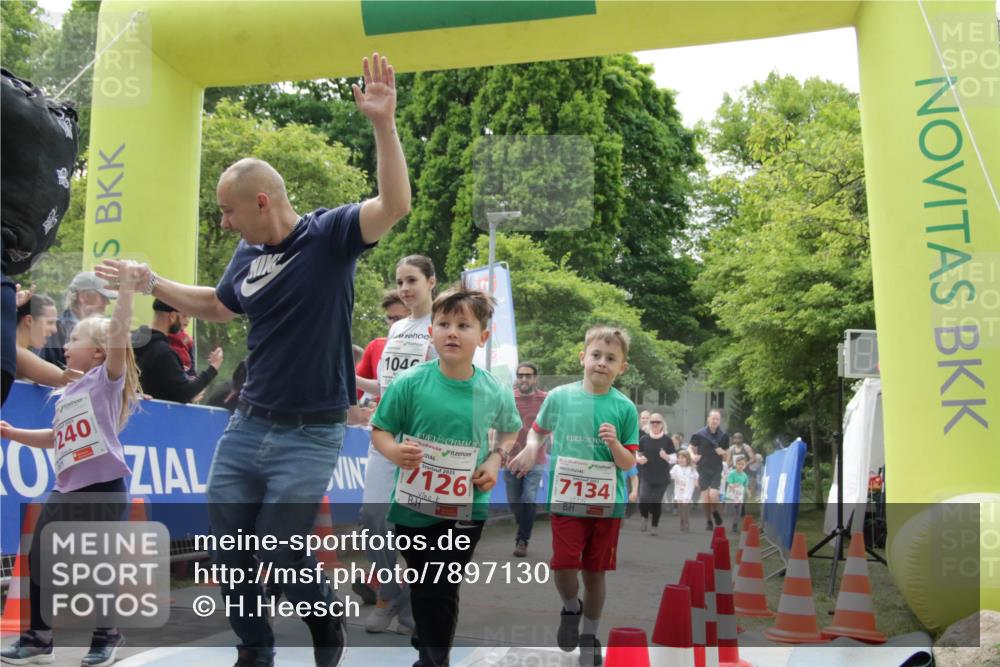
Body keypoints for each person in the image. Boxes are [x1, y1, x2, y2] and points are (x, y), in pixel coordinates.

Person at [96, 52, 410, 667]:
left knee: (279, 549)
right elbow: (217, 305)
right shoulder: (246, 254)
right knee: (232, 549)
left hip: (311, 432)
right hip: (247, 424)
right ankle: (255, 649)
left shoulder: (331, 236)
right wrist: (151, 279)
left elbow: (393, 204)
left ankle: (324, 619)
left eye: (229, 209)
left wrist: (383, 123)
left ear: (262, 200)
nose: (224, 220)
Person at [370, 286, 521, 667]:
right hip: (413, 506)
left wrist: (495, 459)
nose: (452, 332)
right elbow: (381, 428)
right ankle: (428, 646)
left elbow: (510, 430)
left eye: (463, 325)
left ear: (482, 336)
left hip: (466, 506)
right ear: (431, 332)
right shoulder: (410, 383)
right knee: (424, 584)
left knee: (442, 583)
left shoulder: (494, 390)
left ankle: (435, 659)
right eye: (444, 324)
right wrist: (391, 450)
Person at [0, 263, 142, 667]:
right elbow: (57, 439)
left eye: (75, 338)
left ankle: (106, 635)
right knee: (41, 556)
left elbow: (118, 334)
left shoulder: (105, 380)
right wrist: (15, 435)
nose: (65, 343)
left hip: (104, 487)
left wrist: (127, 294)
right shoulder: (68, 392)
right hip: (66, 488)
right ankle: (38, 637)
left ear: (98, 352)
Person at [510, 326, 639, 667]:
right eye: (596, 355)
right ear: (583, 358)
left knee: (595, 574)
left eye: (611, 359)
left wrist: (614, 445)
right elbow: (537, 433)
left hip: (606, 504)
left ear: (621, 367)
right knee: (564, 565)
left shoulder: (625, 408)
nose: (601, 363)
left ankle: (589, 636)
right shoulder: (560, 397)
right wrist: (529, 450)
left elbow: (629, 461)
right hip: (566, 500)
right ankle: (571, 608)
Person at [358, 255, 437, 634]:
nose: (405, 288)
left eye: (412, 280)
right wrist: (352, 376)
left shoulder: (443, 326)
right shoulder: (397, 328)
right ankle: (391, 595)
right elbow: (386, 387)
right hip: (384, 434)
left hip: (423, 441)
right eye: (400, 281)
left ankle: (417, 606)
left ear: (431, 282)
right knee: (373, 519)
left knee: (416, 530)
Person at [132, 299, 224, 403]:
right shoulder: (163, 352)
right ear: (172, 316)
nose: (185, 322)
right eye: (183, 316)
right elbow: (184, 393)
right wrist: (213, 368)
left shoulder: (131, 342)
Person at [505, 361, 548, 557]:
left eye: (528, 375)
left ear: (535, 378)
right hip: (511, 458)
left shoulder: (545, 399)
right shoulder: (508, 397)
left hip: (535, 458)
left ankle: (522, 540)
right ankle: (522, 523)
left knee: (528, 498)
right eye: (520, 375)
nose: (524, 379)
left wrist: (534, 448)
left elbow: (549, 427)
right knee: (514, 501)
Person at [40, 271, 116, 368]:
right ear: (83, 296)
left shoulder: (97, 329)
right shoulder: (56, 329)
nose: (107, 303)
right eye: (103, 297)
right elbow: (47, 372)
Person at [355, 288, 409, 407]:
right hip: (384, 420)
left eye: (398, 318)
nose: (393, 323)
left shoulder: (429, 344)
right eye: (389, 318)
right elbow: (355, 390)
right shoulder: (375, 346)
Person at [635, 413, 673, 536]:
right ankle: (645, 517)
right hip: (646, 474)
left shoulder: (667, 440)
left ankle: (654, 525)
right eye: (652, 422)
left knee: (656, 502)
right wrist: (639, 459)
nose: (655, 424)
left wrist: (666, 456)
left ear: (662, 424)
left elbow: (674, 458)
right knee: (643, 499)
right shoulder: (644, 439)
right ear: (649, 424)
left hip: (661, 477)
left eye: (658, 422)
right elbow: (637, 453)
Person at [691, 409, 729, 531]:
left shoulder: (723, 436)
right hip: (702, 468)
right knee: (705, 497)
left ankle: (715, 512)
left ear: (720, 421)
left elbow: (727, 455)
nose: (715, 421)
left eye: (717, 419)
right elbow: (690, 448)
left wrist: (722, 452)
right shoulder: (699, 434)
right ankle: (708, 521)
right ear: (708, 419)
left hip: (716, 468)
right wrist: (692, 456)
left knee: (713, 494)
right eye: (713, 418)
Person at [670, 449, 699, 532]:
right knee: (680, 507)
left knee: (685, 506)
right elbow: (671, 476)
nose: (681, 460)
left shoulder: (691, 468)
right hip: (679, 490)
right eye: (679, 458)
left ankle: (686, 522)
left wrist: (697, 484)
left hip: (688, 490)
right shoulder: (676, 467)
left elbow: (696, 477)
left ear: (688, 459)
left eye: (683, 458)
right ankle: (682, 520)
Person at [726, 456, 750, 533]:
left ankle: (735, 524)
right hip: (732, 494)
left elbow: (745, 485)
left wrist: (748, 493)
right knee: (733, 509)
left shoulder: (745, 475)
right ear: (735, 464)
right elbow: (729, 483)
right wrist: (733, 485)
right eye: (739, 464)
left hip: (739, 495)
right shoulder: (732, 473)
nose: (741, 466)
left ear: (745, 465)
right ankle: (732, 522)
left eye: (742, 464)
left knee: (738, 510)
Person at [167, 311, 196, 376]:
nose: (187, 320)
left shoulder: (187, 338)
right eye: (184, 316)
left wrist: (193, 375)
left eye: (190, 317)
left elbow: (192, 359)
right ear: (173, 316)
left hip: (186, 372)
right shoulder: (166, 335)